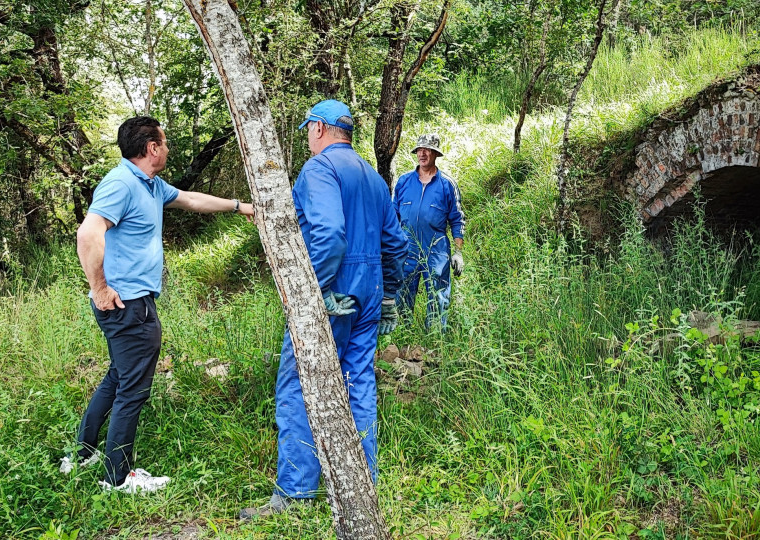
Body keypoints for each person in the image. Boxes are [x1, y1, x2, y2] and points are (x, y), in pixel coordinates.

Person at [63, 116, 255, 493]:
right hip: (128, 305)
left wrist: (238, 206)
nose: (167, 149)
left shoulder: (149, 185)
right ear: (152, 148)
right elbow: (88, 233)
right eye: (164, 144)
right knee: (132, 388)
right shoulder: (121, 184)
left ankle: (81, 453)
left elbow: (190, 199)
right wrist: (100, 288)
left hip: (129, 303)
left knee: (118, 377)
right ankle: (117, 478)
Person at [241, 99, 407, 518]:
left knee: (298, 382)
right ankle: (360, 484)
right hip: (369, 291)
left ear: (319, 128)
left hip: (333, 290)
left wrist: (316, 290)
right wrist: (388, 296)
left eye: (308, 130)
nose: (308, 138)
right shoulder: (371, 176)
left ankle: (294, 494)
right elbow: (396, 244)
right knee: (359, 383)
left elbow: (330, 234)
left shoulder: (320, 169)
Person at [392, 133, 466, 329]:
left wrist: (458, 253)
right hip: (408, 248)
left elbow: (457, 219)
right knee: (403, 293)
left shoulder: (447, 185)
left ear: (435, 154)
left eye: (427, 150)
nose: (422, 154)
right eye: (419, 150)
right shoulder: (404, 182)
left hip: (436, 249)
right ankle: (402, 338)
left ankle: (435, 342)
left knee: (438, 294)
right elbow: (393, 217)